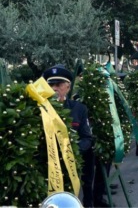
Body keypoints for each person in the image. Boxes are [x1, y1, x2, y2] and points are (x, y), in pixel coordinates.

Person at [43, 65, 95, 207]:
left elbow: (87, 137)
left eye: (58, 85)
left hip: (75, 161)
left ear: (67, 86)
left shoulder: (78, 108)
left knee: (86, 182)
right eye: (51, 85)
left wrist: (72, 152)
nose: (54, 89)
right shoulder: (41, 109)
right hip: (50, 165)